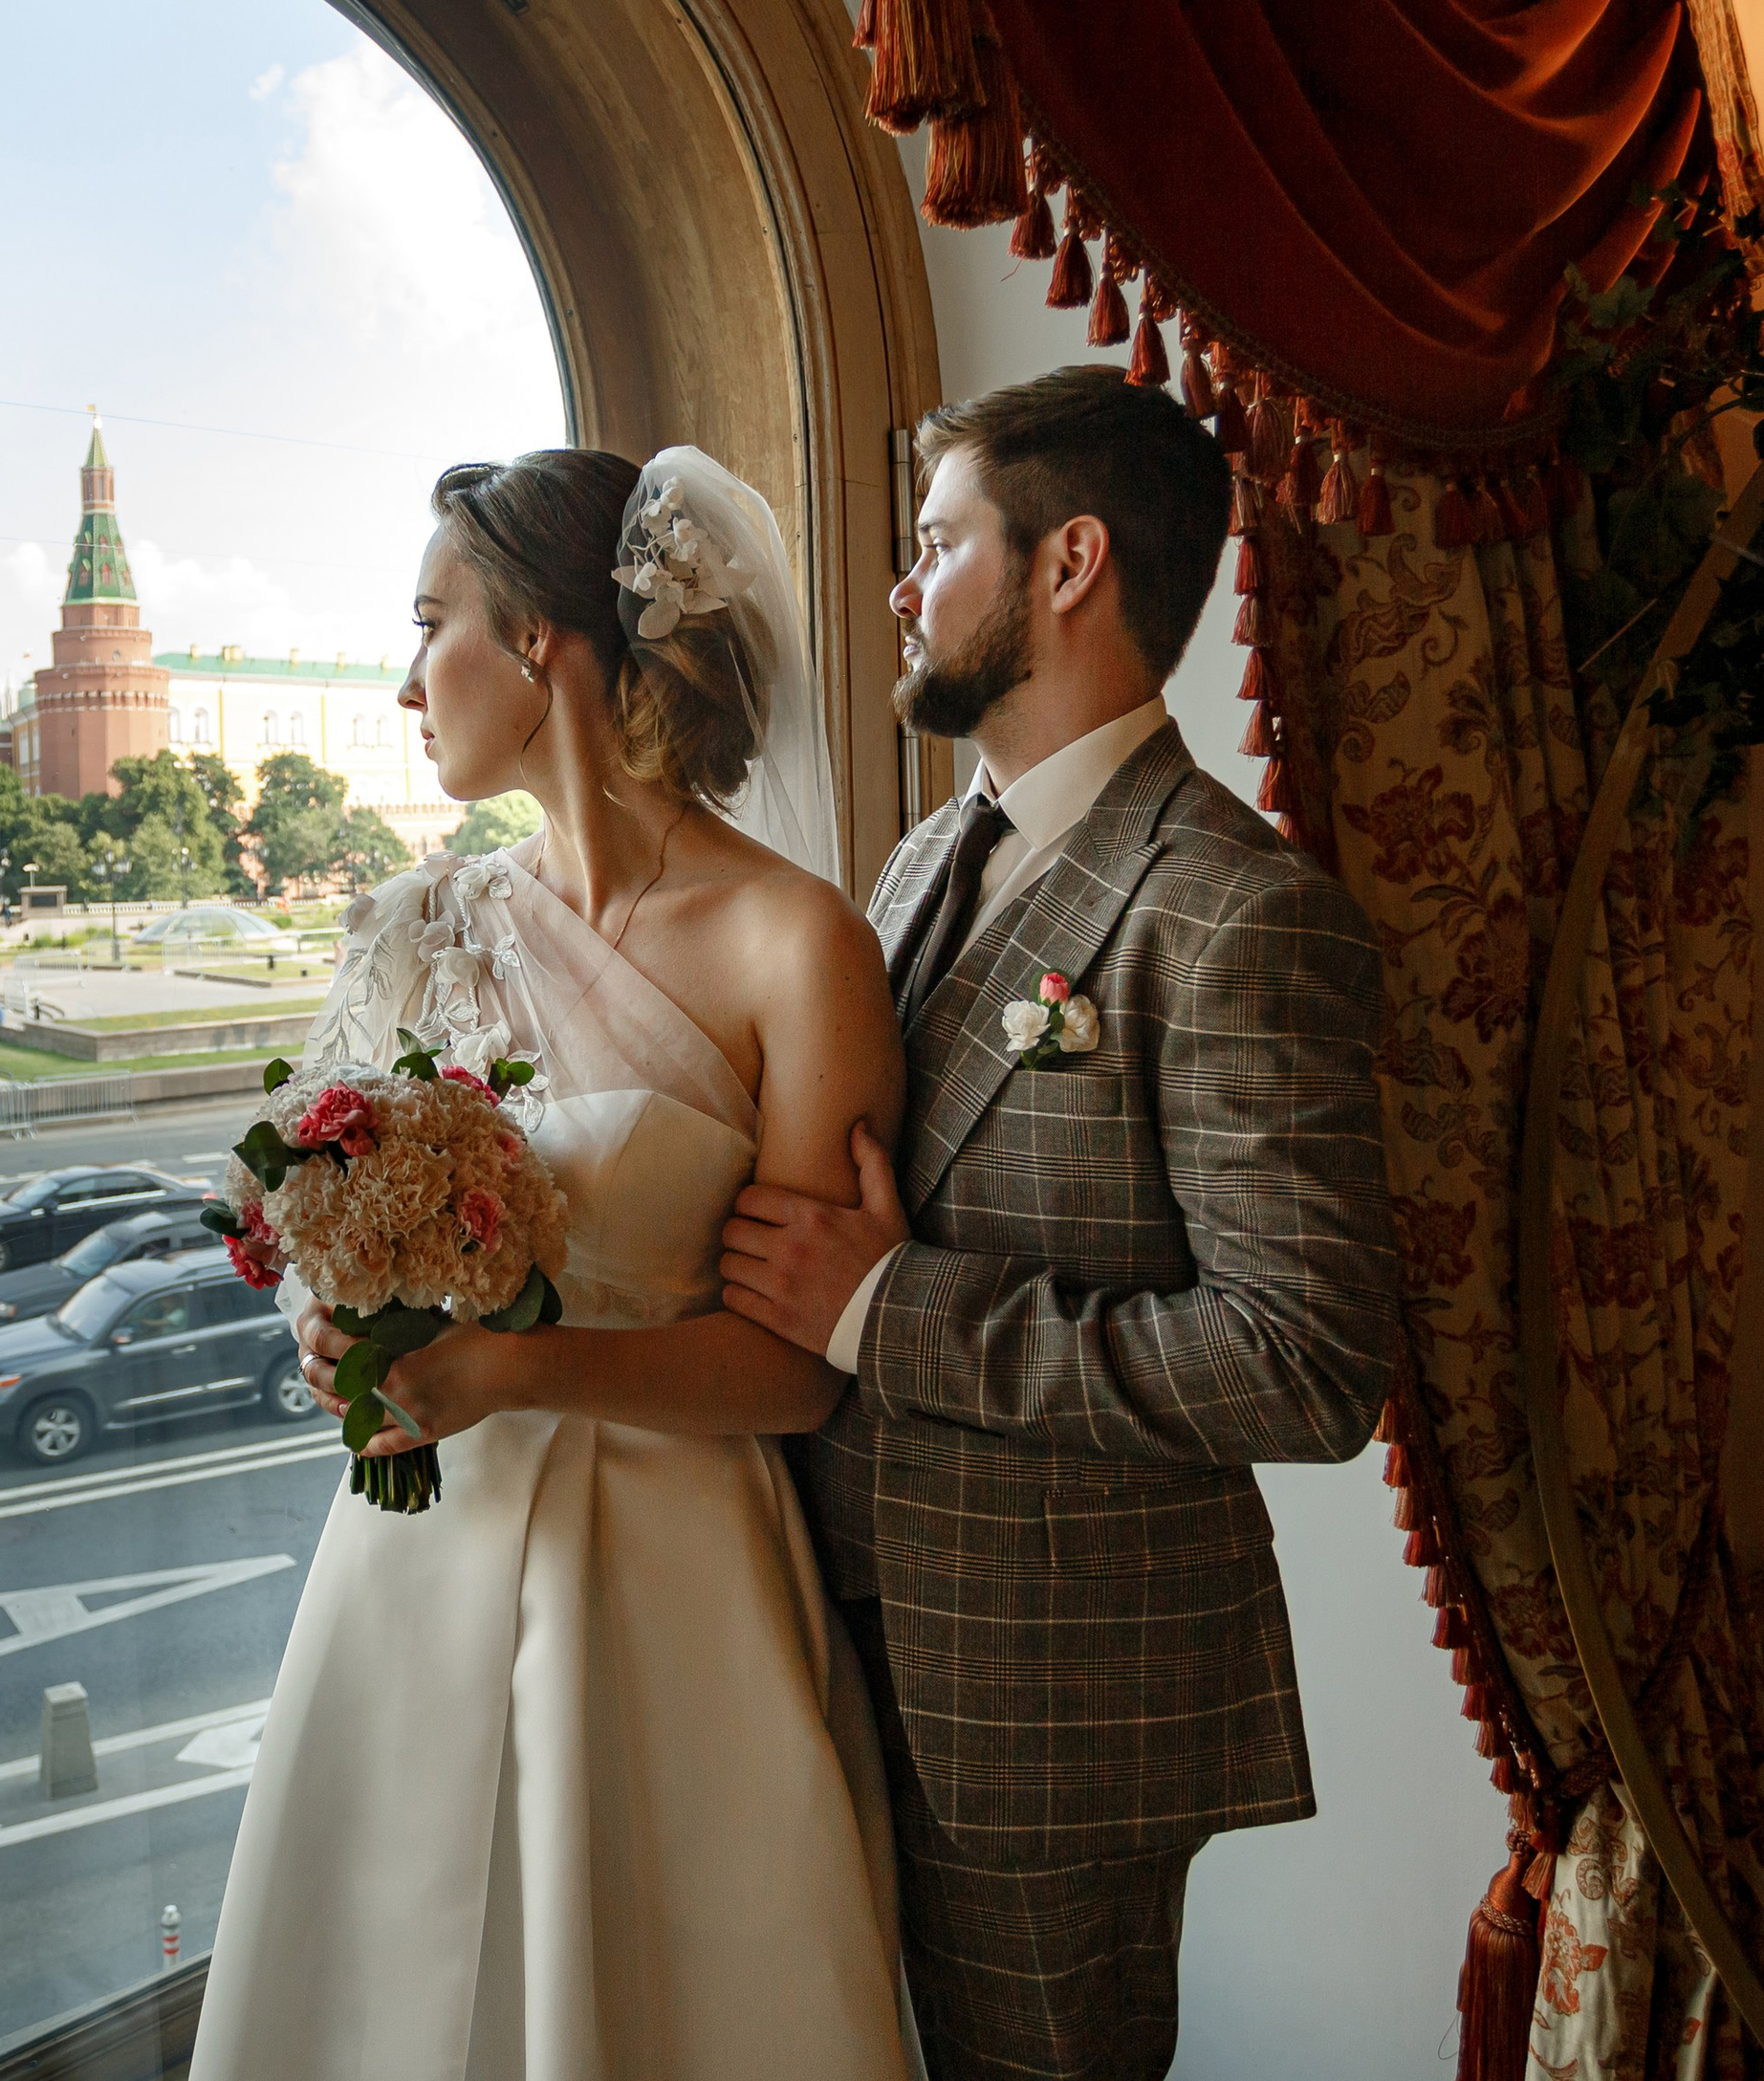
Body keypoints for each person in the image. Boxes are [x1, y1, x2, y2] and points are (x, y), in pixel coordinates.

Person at [191, 449, 917, 2081]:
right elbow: (324, 1226)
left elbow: (799, 1365)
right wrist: (338, 1339)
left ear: (540, 647)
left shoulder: (796, 946)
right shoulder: (416, 926)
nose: (401, 679)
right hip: (412, 1566)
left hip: (675, 1578)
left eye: (430, 621)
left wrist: (512, 1369)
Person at [718, 368, 1402, 2081]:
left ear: (1068, 561)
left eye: (939, 541)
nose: (900, 584)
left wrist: (896, 1315)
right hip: (813, 1644)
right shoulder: (916, 862)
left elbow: (1305, 1365)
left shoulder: (1236, 916)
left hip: (1050, 1711)